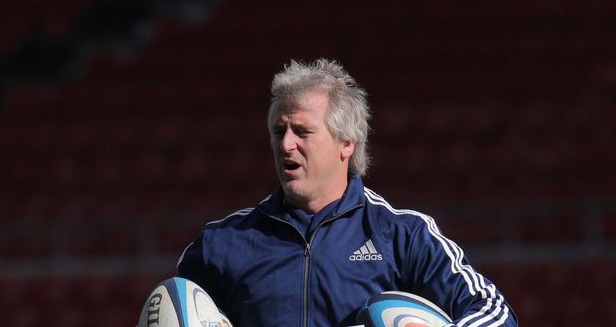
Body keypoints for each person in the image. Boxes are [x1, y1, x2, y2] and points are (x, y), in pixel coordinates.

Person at [177, 59, 518, 326]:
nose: (286, 144)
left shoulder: (402, 235)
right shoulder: (222, 243)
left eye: (302, 131)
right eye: (278, 130)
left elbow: (495, 312)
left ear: (346, 143)